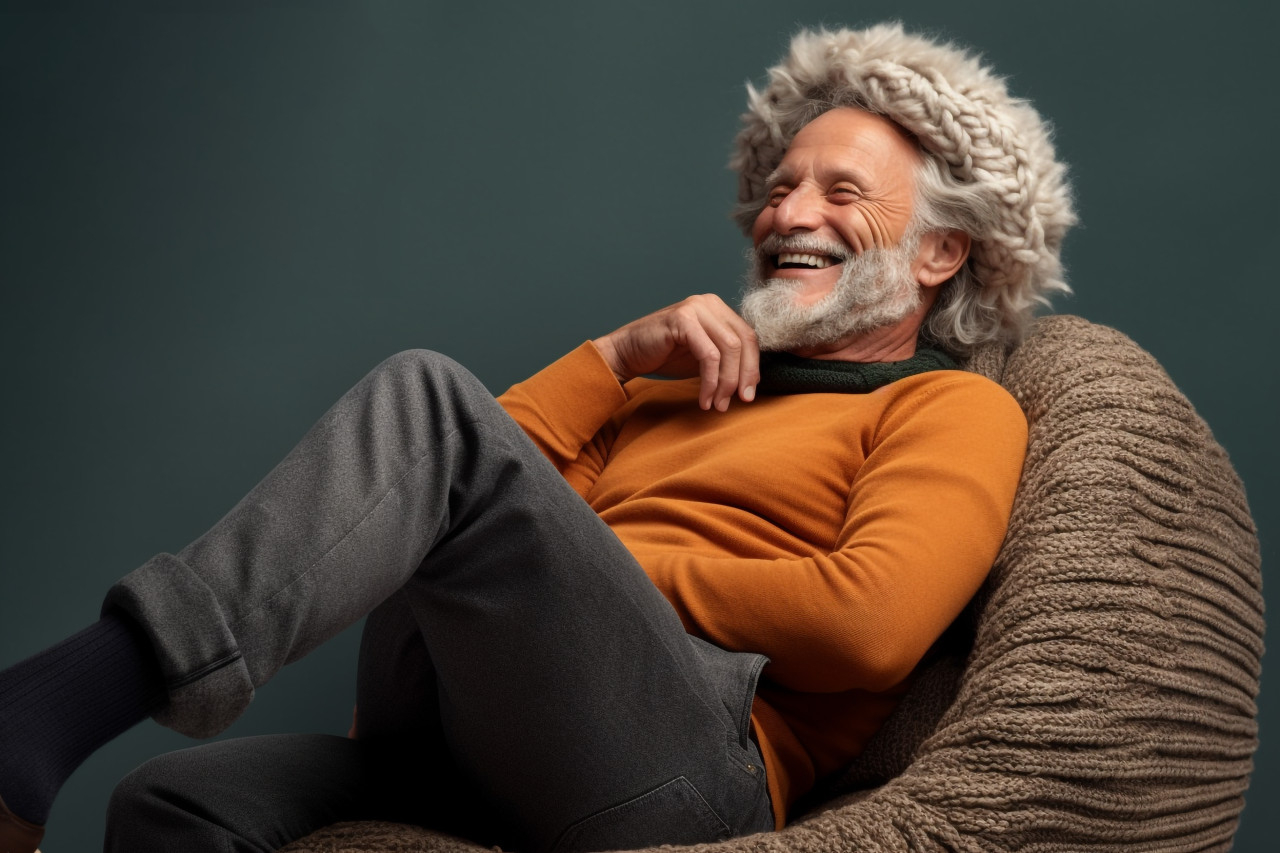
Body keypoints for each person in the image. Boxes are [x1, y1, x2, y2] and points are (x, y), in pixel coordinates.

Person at [0, 22, 1075, 853]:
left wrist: (606, 562)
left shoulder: (948, 408)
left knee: (428, 392)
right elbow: (421, 503)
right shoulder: (671, 394)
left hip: (692, 775)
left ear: (938, 253)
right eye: (780, 188)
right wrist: (614, 358)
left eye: (842, 192)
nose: (790, 214)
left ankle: (45, 713)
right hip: (479, 737)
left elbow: (868, 625)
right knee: (173, 801)